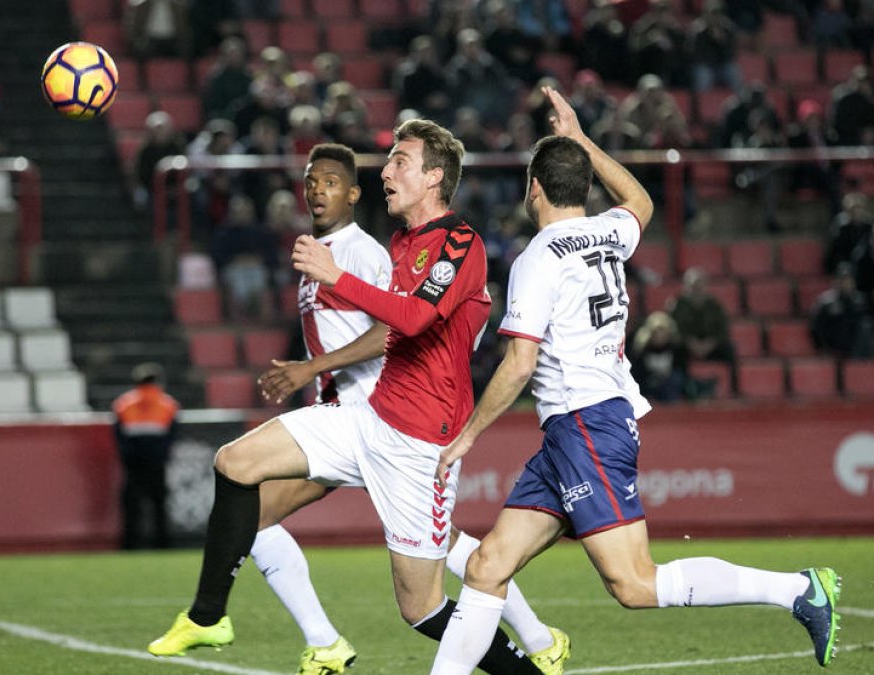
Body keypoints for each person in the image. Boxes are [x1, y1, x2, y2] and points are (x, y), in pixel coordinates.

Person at [428, 86, 841, 674]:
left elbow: (519, 363)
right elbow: (641, 201)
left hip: (586, 424)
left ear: (534, 190)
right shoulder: (607, 234)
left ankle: (797, 589)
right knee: (487, 566)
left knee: (635, 584)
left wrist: (466, 437)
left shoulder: (539, 257)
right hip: (577, 429)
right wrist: (582, 140)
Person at [148, 121, 562, 675]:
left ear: (434, 177)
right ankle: (208, 617)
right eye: (388, 162)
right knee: (235, 463)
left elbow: (414, 319)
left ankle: (529, 664)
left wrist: (335, 277)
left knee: (421, 610)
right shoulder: (403, 242)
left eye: (400, 162)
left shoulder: (460, 243)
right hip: (368, 416)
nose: (387, 171)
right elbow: (395, 327)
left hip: (421, 444)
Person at [113, 363, 179, 550]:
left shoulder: (124, 404)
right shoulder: (168, 404)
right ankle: (163, 544)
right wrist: (162, 456)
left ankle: (130, 544)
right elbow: (172, 436)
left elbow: (119, 437)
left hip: (133, 463)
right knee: (159, 504)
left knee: (132, 506)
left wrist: (128, 458)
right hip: (157, 462)